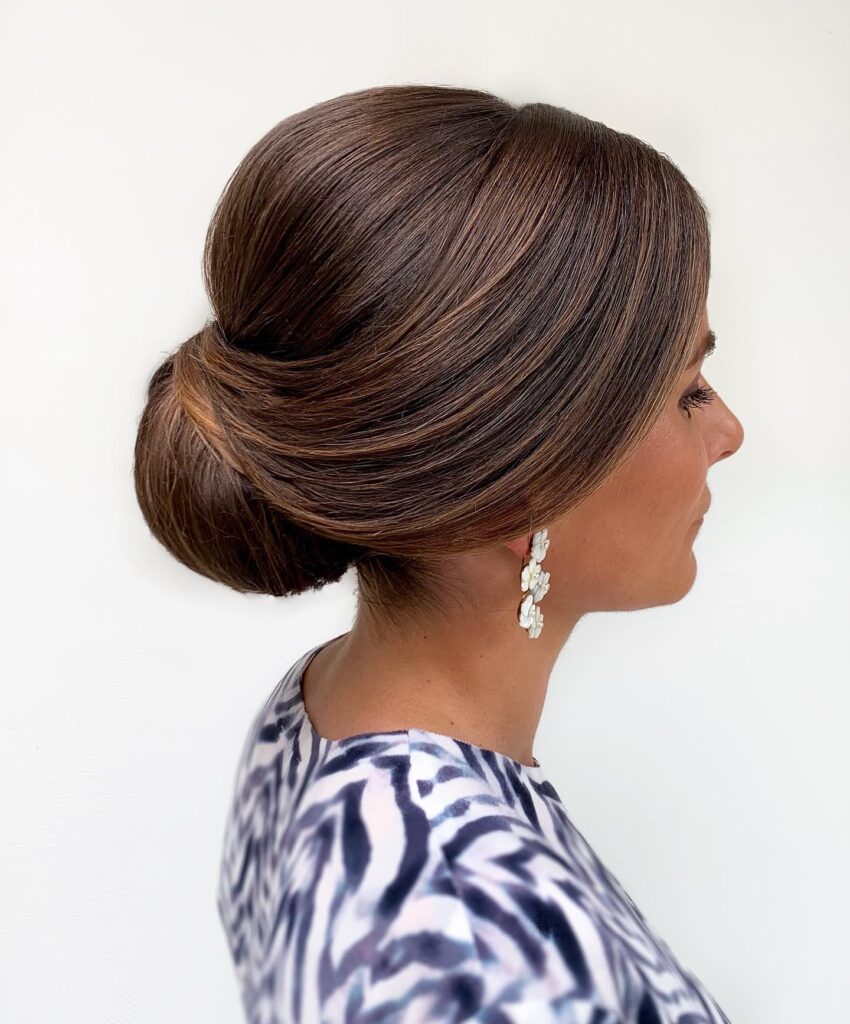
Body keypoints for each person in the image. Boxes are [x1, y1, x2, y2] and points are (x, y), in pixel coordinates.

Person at [133, 83, 744, 1023]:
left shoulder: (318, 710)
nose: (730, 432)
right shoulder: (469, 952)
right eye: (690, 391)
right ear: (523, 485)